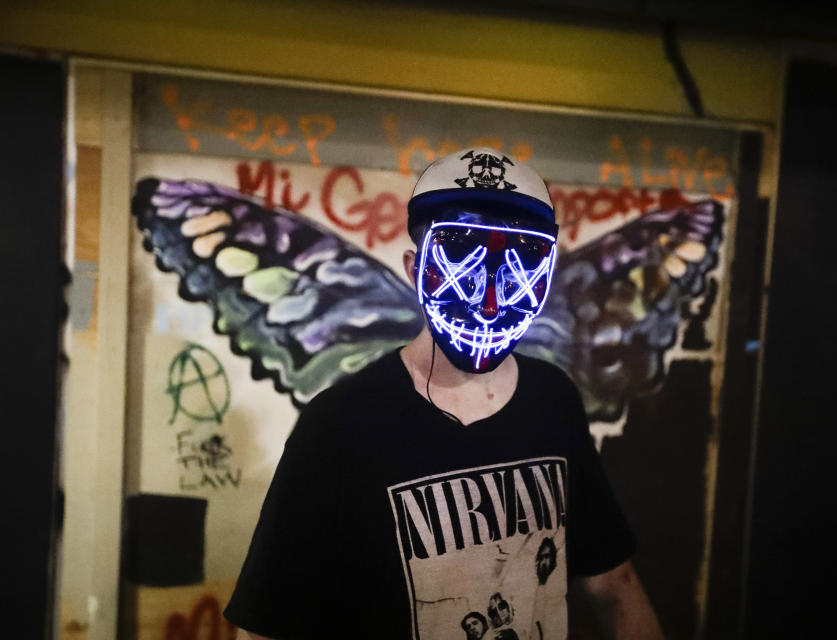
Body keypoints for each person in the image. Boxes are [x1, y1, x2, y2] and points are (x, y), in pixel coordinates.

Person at [224, 148, 664, 639]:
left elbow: (616, 583)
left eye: (521, 263)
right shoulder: (341, 423)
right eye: (461, 257)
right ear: (414, 269)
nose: (492, 301)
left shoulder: (553, 398)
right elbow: (267, 627)